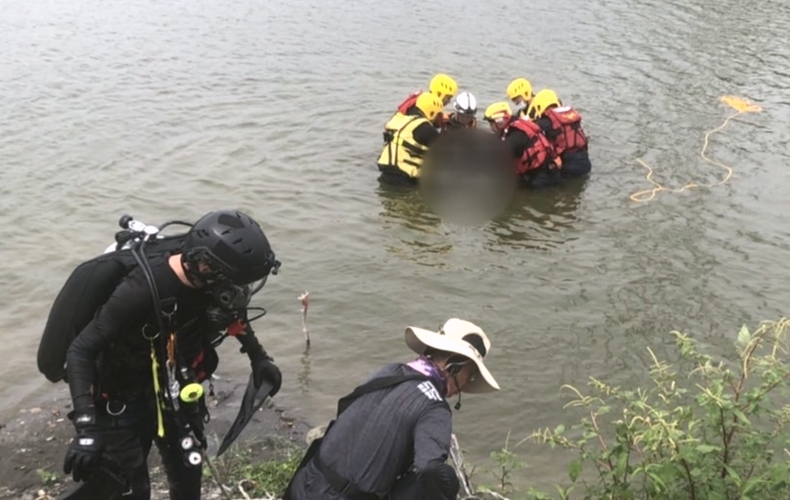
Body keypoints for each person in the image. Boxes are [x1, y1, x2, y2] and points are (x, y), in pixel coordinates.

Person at [60, 210, 283, 500]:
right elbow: (80, 350)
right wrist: (86, 427)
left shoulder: (213, 281)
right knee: (131, 490)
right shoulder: (141, 289)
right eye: (235, 282)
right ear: (205, 267)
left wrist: (258, 357)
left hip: (175, 395)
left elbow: (231, 311)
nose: (239, 291)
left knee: (189, 476)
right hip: (121, 403)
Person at [283, 318, 500, 500]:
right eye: (469, 375)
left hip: (302, 488)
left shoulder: (388, 372)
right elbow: (429, 468)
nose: (468, 383)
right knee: (445, 479)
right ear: (454, 366)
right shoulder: (435, 408)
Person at [484, 101, 561, 189]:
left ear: (500, 122)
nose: (491, 127)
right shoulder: (516, 123)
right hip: (546, 171)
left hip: (542, 178)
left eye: (491, 124)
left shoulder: (515, 136)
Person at [378, 92, 444, 185]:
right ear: (432, 112)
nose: (439, 118)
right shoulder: (426, 127)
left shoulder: (404, 119)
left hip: (385, 170)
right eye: (438, 115)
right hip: (404, 176)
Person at [526, 89, 591, 177]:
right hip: (585, 162)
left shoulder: (547, 120)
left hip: (568, 165)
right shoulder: (569, 115)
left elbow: (529, 129)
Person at [394, 74, 458, 129]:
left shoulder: (424, 101)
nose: (449, 101)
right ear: (439, 93)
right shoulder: (419, 107)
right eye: (448, 98)